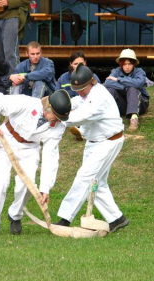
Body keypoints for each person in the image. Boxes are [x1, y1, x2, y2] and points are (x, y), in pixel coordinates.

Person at [0, 90, 71, 235]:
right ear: (48, 108)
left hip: (30, 149)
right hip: (7, 140)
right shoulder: (27, 103)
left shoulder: (58, 127)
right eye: (55, 117)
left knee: (27, 185)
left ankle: (15, 215)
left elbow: (51, 155)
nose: (56, 121)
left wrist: (45, 187)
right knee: (0, 183)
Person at [54, 63, 129, 234]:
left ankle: (65, 219)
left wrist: (59, 117)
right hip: (93, 142)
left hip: (108, 142)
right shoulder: (86, 94)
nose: (79, 92)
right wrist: (54, 104)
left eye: (81, 88)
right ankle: (117, 218)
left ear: (92, 82)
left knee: (84, 178)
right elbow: (77, 102)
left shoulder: (99, 96)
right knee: (97, 183)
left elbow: (84, 115)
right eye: (76, 89)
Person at [104, 48, 149, 132]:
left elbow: (139, 83)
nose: (127, 67)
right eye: (124, 64)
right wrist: (125, 88)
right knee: (111, 89)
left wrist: (119, 80)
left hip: (140, 104)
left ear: (134, 64)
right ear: (121, 64)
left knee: (132, 88)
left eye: (130, 64)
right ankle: (107, 117)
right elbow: (107, 82)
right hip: (123, 105)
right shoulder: (116, 71)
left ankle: (134, 118)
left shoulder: (139, 71)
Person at [0, 0, 30, 77]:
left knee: (10, 53)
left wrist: (8, 3)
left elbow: (27, 1)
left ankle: (14, 83)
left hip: (11, 17)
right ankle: (0, 83)